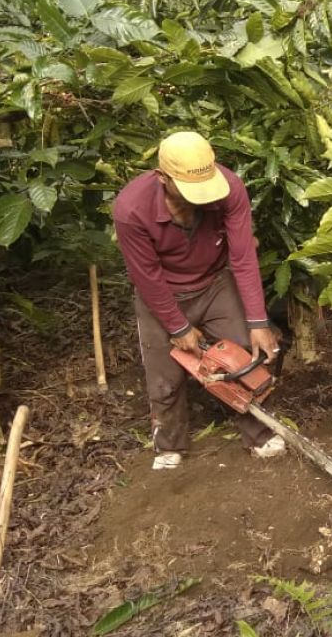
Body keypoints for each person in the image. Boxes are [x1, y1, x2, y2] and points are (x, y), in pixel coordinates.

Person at [113, 131, 286, 469]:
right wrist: (177, 325)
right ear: (162, 178)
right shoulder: (131, 209)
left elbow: (243, 257)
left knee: (246, 356)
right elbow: (146, 276)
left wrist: (257, 321)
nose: (204, 198)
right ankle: (169, 445)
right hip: (162, 293)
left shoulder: (230, 188)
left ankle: (259, 433)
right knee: (165, 378)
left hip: (215, 281)